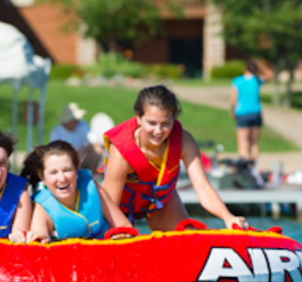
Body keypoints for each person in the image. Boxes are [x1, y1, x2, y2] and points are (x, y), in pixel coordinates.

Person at [102, 85, 248, 231]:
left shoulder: (184, 141)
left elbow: (203, 188)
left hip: (159, 200)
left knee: (185, 243)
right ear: (138, 118)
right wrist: (119, 232)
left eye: (166, 124)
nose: (158, 131)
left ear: (173, 119)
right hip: (120, 206)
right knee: (119, 237)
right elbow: (110, 206)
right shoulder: (122, 150)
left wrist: (228, 217)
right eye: (151, 123)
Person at [229, 59, 265, 183]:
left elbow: (233, 100)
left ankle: (245, 169)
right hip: (256, 112)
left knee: (243, 143)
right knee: (254, 143)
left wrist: (232, 111)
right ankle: (253, 167)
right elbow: (268, 75)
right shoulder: (258, 80)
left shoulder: (238, 81)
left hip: (243, 113)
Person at [49, 103, 101, 172]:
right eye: (75, 120)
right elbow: (54, 152)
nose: (78, 121)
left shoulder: (82, 125)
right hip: (65, 159)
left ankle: (91, 174)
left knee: (95, 150)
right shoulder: (56, 132)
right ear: (68, 121)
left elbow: (95, 143)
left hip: (82, 157)